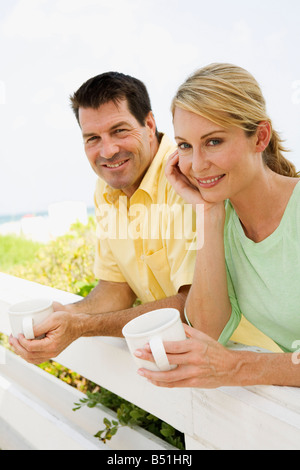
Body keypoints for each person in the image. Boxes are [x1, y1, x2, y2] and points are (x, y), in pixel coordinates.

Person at [9, 72, 197, 364]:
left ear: (149, 124)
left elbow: (193, 305)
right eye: (93, 138)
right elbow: (116, 288)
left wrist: (83, 326)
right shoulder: (108, 187)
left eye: (120, 131)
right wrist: (66, 314)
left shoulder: (187, 177)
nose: (108, 151)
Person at [136, 63, 300, 388]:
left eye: (213, 142)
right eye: (184, 145)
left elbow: (224, 360)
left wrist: (238, 367)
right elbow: (208, 332)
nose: (197, 165)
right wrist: (207, 213)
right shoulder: (222, 224)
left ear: (260, 137)